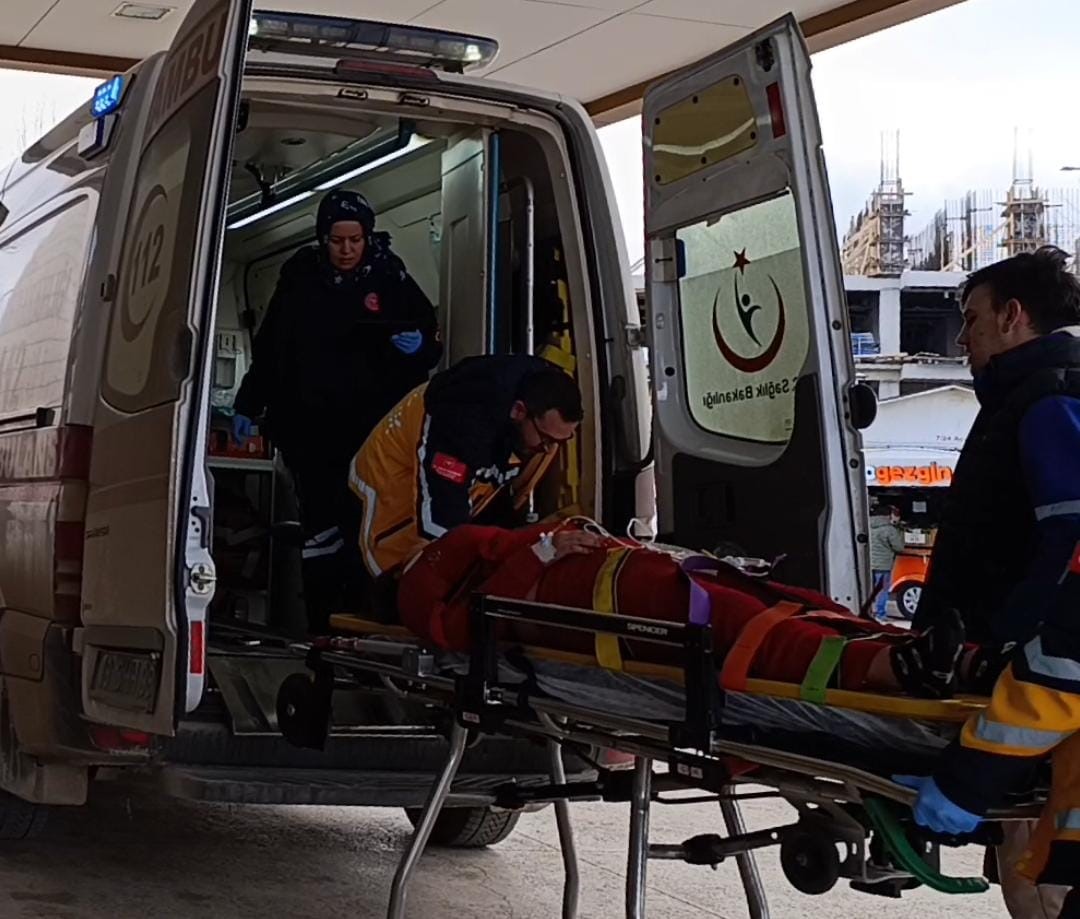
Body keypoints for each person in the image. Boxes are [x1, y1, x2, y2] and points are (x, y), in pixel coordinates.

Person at [892, 247, 1080, 916]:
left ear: (1012, 315)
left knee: (1046, 879)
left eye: (971, 320)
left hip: (1035, 684)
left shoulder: (1051, 401)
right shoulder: (1027, 399)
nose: (962, 339)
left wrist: (1004, 649)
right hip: (1021, 681)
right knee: (1031, 868)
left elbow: (1069, 543)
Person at [232, 190, 441, 632]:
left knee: (365, 529)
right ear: (322, 238)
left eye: (355, 240)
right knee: (320, 532)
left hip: (372, 434)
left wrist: (421, 347)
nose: (346, 250)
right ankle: (322, 627)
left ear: (368, 237)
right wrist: (248, 403)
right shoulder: (299, 279)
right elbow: (271, 350)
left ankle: (364, 623)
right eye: (336, 240)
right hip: (311, 432)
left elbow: (427, 334)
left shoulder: (390, 277)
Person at [349, 354, 581, 580]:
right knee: (386, 562)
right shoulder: (462, 419)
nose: (549, 450)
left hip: (457, 469)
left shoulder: (542, 399)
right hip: (385, 485)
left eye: (560, 441)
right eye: (546, 439)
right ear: (519, 411)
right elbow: (444, 518)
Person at [869, 504, 905, 621]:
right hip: (883, 565)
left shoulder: (867, 525)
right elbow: (899, 547)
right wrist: (899, 529)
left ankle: (870, 611)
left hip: (869, 564)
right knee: (882, 590)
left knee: (869, 590)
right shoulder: (889, 530)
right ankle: (880, 614)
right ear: (888, 515)